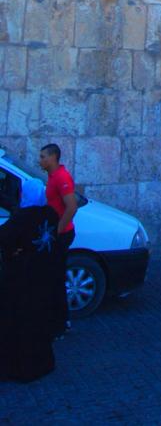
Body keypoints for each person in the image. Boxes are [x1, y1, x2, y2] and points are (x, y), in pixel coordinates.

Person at [0, 178, 60, 381]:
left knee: (18, 322)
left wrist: (17, 251)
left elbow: (4, 237)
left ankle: (20, 367)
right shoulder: (50, 215)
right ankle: (40, 363)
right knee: (38, 320)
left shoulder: (23, 217)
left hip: (21, 279)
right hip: (43, 276)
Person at [39, 144, 77, 336]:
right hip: (57, 234)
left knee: (56, 277)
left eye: (43, 156)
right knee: (53, 277)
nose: (40, 160)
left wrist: (57, 231)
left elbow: (72, 206)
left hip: (62, 235)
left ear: (53, 157)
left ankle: (62, 322)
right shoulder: (52, 176)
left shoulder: (61, 177)